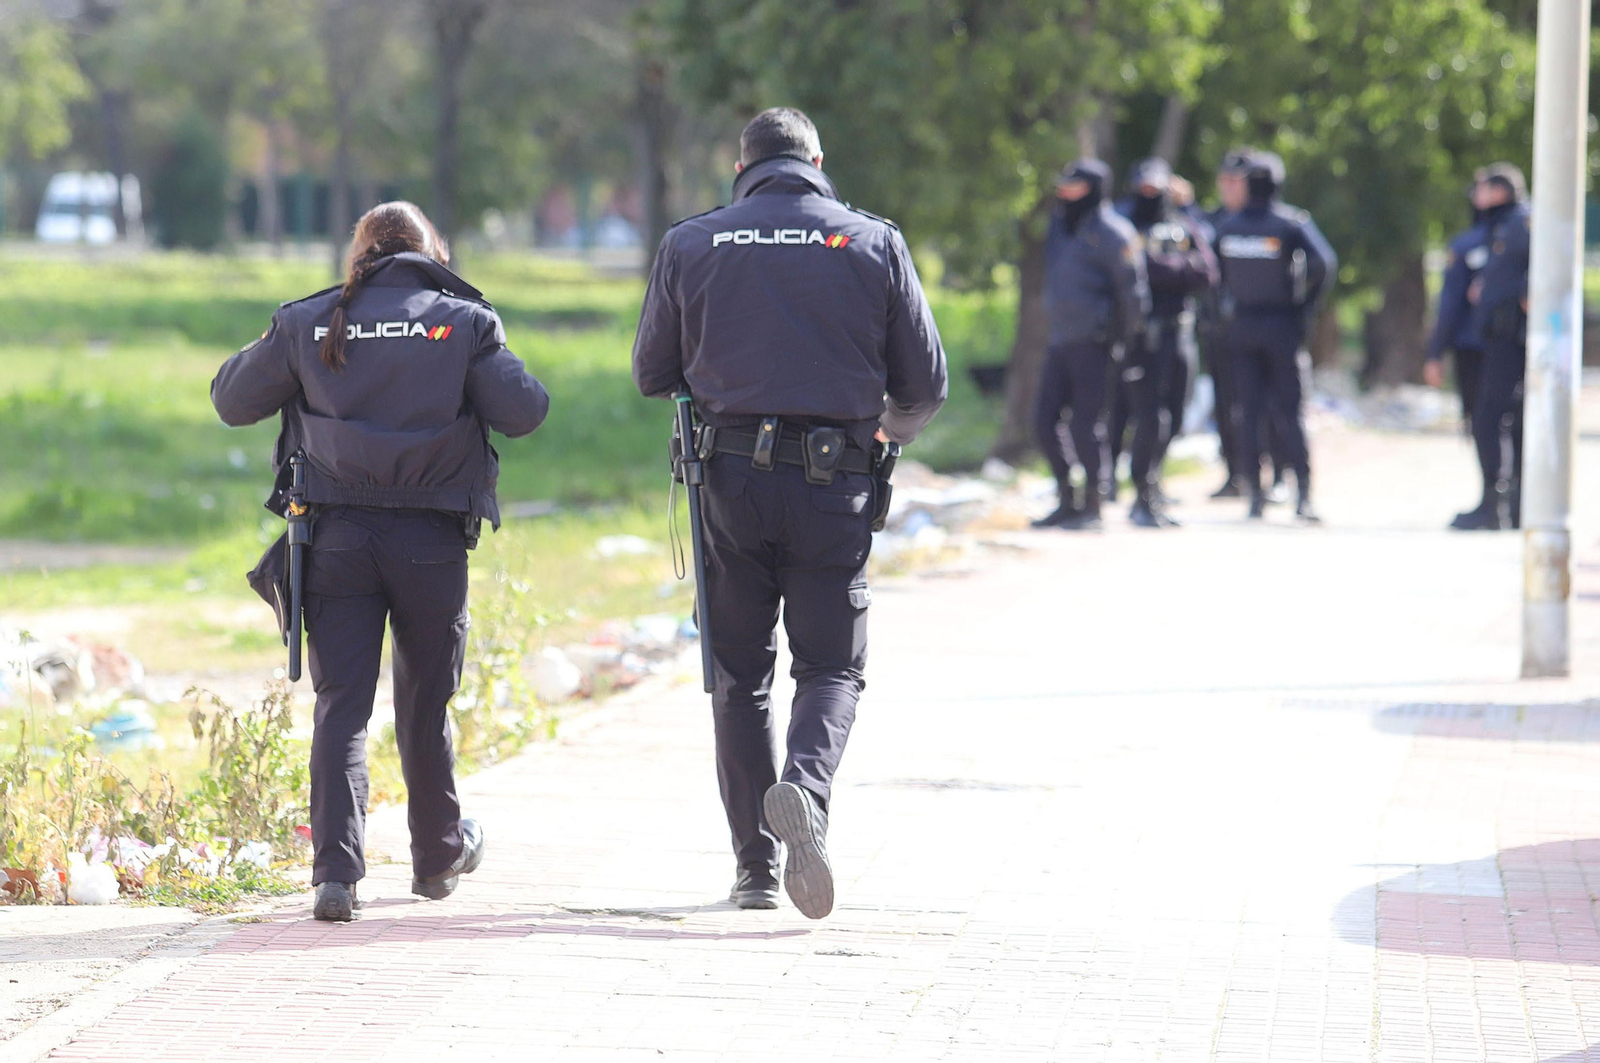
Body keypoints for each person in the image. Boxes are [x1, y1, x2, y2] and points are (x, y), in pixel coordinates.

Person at [632, 108, 947, 918]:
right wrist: (885, 431)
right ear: (816, 158)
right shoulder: (871, 240)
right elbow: (925, 384)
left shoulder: (693, 241)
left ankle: (755, 871)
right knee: (832, 668)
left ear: (743, 167)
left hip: (727, 482)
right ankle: (803, 787)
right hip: (832, 483)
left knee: (740, 678)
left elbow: (651, 371)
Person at [211, 202, 551, 922]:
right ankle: (436, 858)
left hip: (333, 541)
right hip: (430, 544)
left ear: (358, 256)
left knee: (343, 707)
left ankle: (337, 875)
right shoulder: (461, 321)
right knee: (424, 705)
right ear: (432, 252)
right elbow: (526, 410)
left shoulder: (307, 321)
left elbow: (231, 399)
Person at [1213, 151, 1336, 522]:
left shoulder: (1230, 226)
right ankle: (1302, 496)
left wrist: (1224, 307)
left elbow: (1212, 274)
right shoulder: (1288, 224)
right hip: (1280, 327)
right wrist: (1304, 309)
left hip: (1244, 328)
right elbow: (1324, 265)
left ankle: (1256, 497)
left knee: (1248, 414)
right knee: (1289, 413)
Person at [1033, 158, 1149, 530]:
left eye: (1074, 185)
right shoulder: (1061, 225)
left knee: (1087, 425)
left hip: (1095, 343)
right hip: (1061, 339)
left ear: (1093, 189)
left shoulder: (1114, 231)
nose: (1064, 191)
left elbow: (1134, 292)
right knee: (1044, 421)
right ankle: (1068, 497)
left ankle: (1094, 505)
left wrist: (1124, 340)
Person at [1114, 157, 1219, 527]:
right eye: (1144, 189)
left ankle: (1152, 484)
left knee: (1174, 417)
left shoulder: (1181, 224)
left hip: (1180, 335)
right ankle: (1141, 495)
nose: (1150, 196)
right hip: (1144, 338)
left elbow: (1207, 270)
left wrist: (1163, 267)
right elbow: (1132, 270)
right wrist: (1175, 268)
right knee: (1149, 418)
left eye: (1157, 190)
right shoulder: (1123, 226)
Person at [1445, 162, 1530, 531]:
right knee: (1495, 420)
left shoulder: (1520, 223)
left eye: (1482, 188)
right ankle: (1500, 506)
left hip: (1511, 336)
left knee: (1490, 420)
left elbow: (1541, 267)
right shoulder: (1501, 226)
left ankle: (1498, 507)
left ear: (1500, 192)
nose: (1475, 196)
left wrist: (1519, 292)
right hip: (1497, 337)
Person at [1422, 173, 1498, 427]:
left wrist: (1435, 354)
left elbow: (1449, 306)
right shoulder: (1527, 238)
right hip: (1500, 344)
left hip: (1476, 346)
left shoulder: (1466, 244)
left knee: (1481, 422)